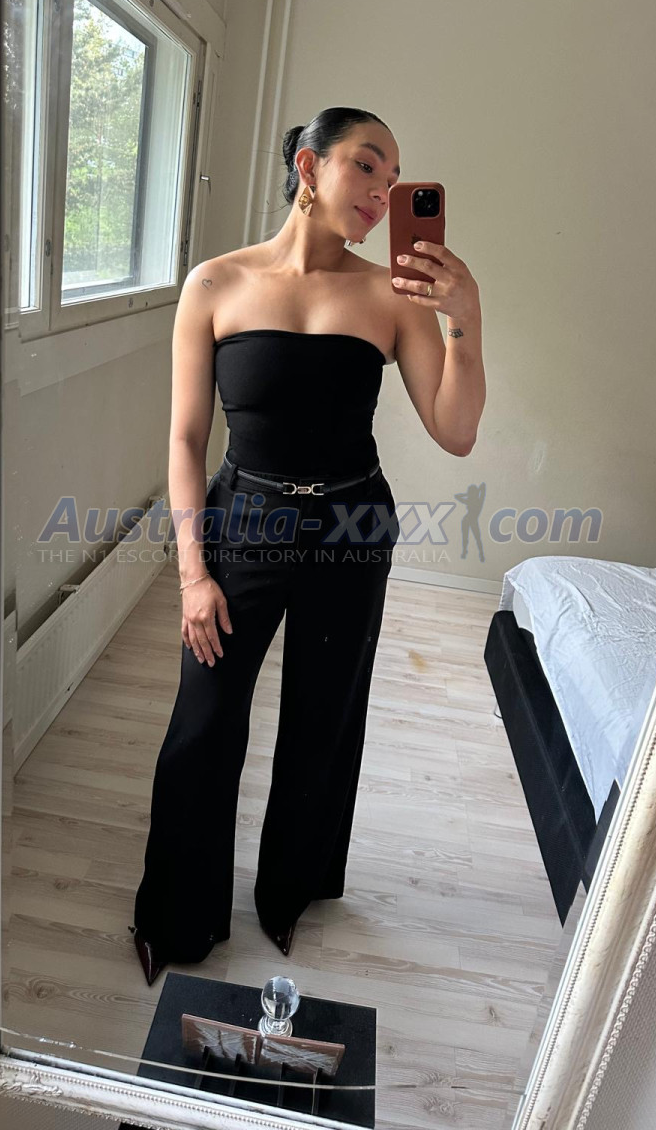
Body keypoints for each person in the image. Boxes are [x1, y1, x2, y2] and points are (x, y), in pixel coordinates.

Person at [131, 106, 486, 985]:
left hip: (351, 528)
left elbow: (455, 431)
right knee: (205, 720)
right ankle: (176, 913)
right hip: (242, 522)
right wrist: (192, 576)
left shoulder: (391, 296)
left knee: (325, 716)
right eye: (366, 165)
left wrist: (464, 318)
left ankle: (288, 893)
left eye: (392, 181)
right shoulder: (215, 284)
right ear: (308, 166)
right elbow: (184, 440)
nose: (380, 192)